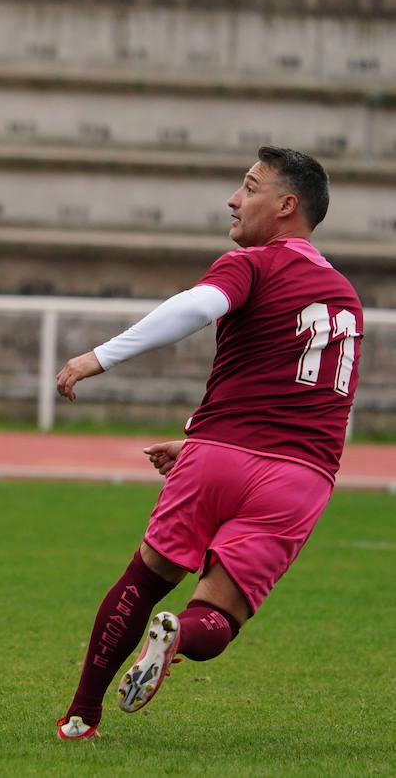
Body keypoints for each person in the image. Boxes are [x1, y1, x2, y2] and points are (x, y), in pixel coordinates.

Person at [52, 146, 363, 739]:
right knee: (218, 614)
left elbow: (198, 305)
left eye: (249, 187)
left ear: (285, 206)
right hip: (301, 477)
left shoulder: (254, 263)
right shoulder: (346, 298)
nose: (233, 199)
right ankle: (179, 638)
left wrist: (100, 356)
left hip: (218, 456)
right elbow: (305, 399)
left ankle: (81, 717)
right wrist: (194, 438)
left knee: (144, 579)